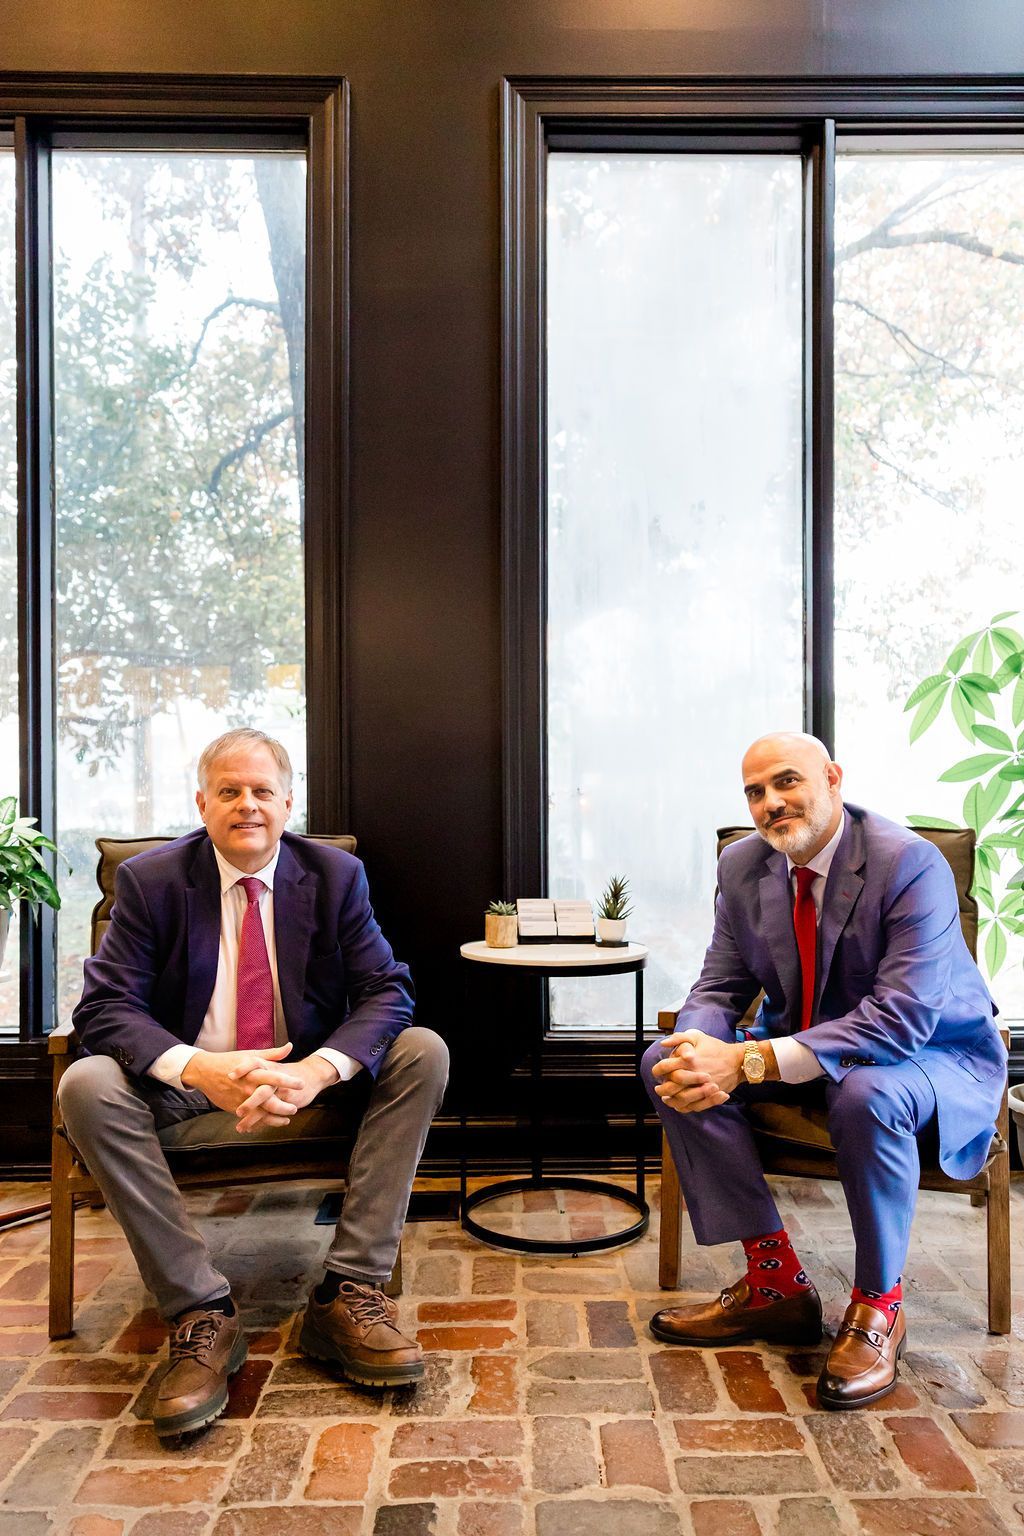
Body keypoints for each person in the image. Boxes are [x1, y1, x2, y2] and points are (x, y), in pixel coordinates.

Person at [59, 727, 448, 1437]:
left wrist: (314, 1071)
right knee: (85, 1083)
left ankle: (349, 1293)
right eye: (230, 791)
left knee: (423, 1050)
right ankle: (200, 1311)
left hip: (307, 1076)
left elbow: (387, 992)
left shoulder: (334, 876)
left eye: (262, 791)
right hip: (188, 1078)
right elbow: (104, 1007)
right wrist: (199, 1068)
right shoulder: (150, 881)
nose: (248, 805)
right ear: (203, 802)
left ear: (288, 802)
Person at [642, 731, 1005, 1410]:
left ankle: (878, 1308)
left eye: (787, 782)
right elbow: (720, 986)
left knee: (865, 1094)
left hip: (929, 1054)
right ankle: (774, 1283)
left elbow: (900, 1020)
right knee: (668, 1062)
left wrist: (748, 1059)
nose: (771, 803)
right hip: (811, 1045)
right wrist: (697, 1045)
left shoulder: (909, 864)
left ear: (833, 778)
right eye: (755, 792)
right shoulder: (745, 866)